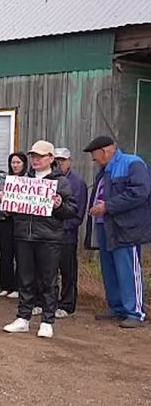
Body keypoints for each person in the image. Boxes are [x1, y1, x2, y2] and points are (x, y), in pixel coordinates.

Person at [2, 141, 78, 339]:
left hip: (49, 238)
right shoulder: (23, 180)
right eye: (33, 156)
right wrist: (7, 202)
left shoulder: (61, 182)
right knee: (25, 279)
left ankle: (47, 320)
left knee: (48, 280)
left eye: (40, 156)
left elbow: (72, 210)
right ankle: (23, 317)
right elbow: (12, 212)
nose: (35, 160)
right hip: (24, 236)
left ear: (51, 158)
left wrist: (59, 205)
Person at [83, 136, 151, 328]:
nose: (94, 161)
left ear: (105, 152)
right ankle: (118, 307)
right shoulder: (104, 170)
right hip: (106, 225)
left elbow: (140, 192)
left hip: (126, 227)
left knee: (128, 268)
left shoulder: (133, 164)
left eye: (95, 156)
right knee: (110, 268)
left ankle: (135, 312)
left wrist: (108, 206)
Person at [54, 147, 88, 318]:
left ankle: (67, 304)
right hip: (48, 234)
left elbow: (78, 212)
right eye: (56, 160)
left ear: (69, 162)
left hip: (67, 234)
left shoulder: (77, 183)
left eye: (62, 160)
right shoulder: (50, 180)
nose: (59, 163)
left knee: (68, 271)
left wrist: (64, 226)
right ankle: (48, 302)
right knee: (48, 271)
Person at [0, 152, 27, 298]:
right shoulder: (3, 180)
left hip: (21, 221)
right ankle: (5, 285)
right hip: (5, 220)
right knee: (5, 253)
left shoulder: (29, 181)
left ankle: (18, 286)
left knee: (21, 254)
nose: (15, 165)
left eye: (18, 162)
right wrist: (5, 208)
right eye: (13, 162)